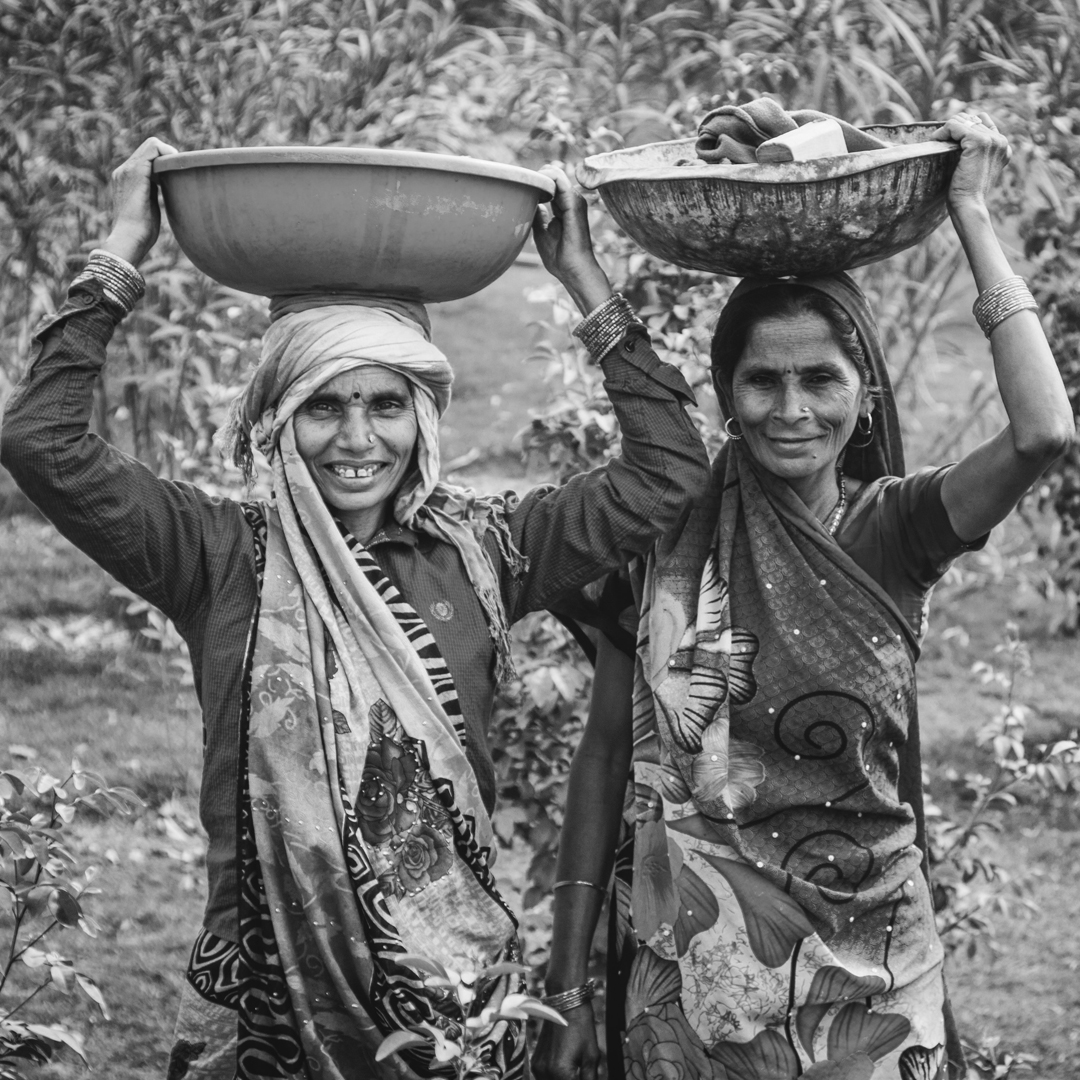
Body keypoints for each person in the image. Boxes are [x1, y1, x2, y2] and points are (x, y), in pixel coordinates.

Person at [0, 138, 711, 1080]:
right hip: (266, 994)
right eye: (322, 406)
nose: (356, 438)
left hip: (449, 995)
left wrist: (583, 275)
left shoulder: (488, 548)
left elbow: (667, 472)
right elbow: (40, 442)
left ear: (422, 414)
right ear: (276, 419)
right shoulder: (218, 555)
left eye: (384, 403)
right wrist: (122, 250)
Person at [534, 111, 1074, 1080]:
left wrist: (975, 215)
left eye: (820, 380)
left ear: (864, 391)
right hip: (694, 989)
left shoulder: (896, 528)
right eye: (762, 381)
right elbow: (609, 748)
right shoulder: (673, 526)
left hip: (875, 980)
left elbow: (1042, 435)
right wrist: (566, 982)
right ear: (726, 392)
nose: (792, 411)